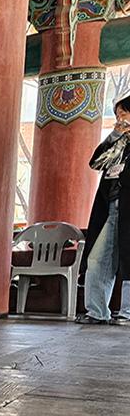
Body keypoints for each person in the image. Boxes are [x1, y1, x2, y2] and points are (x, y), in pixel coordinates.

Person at [80, 96, 130, 324]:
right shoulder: (119, 142)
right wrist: (115, 136)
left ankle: (127, 313)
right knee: (98, 258)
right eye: (117, 114)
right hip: (111, 206)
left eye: (123, 113)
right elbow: (96, 163)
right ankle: (96, 311)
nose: (119, 118)